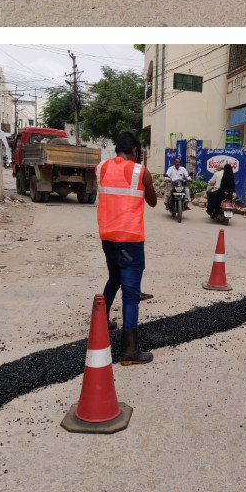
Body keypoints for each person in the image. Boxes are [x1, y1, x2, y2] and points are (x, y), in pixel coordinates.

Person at [95, 131, 158, 364]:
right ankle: (129, 351)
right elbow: (152, 201)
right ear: (135, 151)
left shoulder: (101, 168)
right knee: (131, 294)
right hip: (130, 241)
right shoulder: (140, 171)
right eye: (139, 153)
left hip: (108, 238)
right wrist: (144, 175)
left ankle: (102, 320)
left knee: (114, 278)